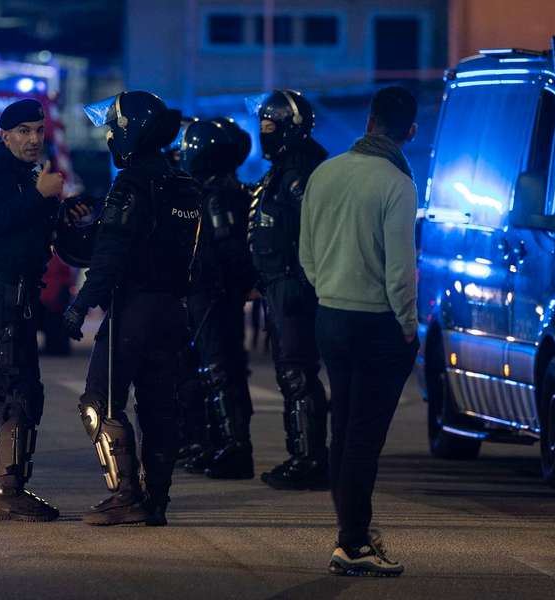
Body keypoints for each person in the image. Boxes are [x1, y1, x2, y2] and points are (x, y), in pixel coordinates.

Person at [62, 91, 200, 526]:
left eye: (112, 127)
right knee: (160, 408)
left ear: (128, 132)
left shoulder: (132, 184)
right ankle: (156, 501)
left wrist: (80, 305)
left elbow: (111, 255)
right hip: (174, 312)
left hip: (133, 311)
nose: (108, 135)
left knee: (98, 404)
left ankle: (126, 495)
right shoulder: (182, 183)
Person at [299, 86, 421, 577]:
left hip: (331, 315)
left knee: (344, 427)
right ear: (409, 131)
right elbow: (400, 271)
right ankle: (352, 541)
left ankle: (352, 530)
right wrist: (408, 327)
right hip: (378, 323)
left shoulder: (325, 172)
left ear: (369, 121)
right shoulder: (397, 183)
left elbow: (306, 254)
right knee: (364, 438)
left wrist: (329, 289)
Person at [0, 98, 78, 522]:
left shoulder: (21, 176)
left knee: (1, 389)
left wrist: (62, 209)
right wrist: (37, 193)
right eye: (24, 132)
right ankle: (7, 491)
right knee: (19, 389)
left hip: (14, 292)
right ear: (5, 135)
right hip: (3, 293)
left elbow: (25, 229)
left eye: (38, 130)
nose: (33, 139)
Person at [247, 89, 330, 490]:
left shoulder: (303, 171)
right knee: (289, 372)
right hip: (279, 284)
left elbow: (310, 232)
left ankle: (310, 458)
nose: (265, 134)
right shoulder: (283, 168)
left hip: (295, 286)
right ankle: (302, 454)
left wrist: (298, 281)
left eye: (271, 127)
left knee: (298, 373)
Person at [180, 117, 258, 479]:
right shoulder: (216, 191)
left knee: (219, 369)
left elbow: (230, 251)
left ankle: (234, 446)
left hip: (212, 293)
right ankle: (216, 443)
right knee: (213, 369)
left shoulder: (217, 196)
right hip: (211, 292)